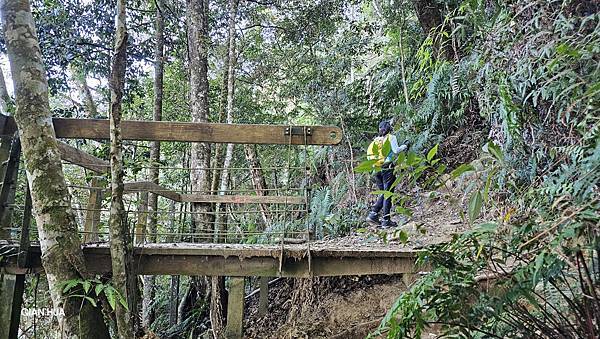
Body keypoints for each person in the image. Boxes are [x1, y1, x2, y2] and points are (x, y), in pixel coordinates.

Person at [366, 120, 408, 228]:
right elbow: (396, 151)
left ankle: (373, 214)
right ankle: (385, 220)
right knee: (388, 194)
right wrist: (405, 146)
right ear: (389, 128)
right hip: (387, 168)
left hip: (376, 169)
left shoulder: (375, 140)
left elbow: (369, 155)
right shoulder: (391, 137)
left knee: (383, 193)